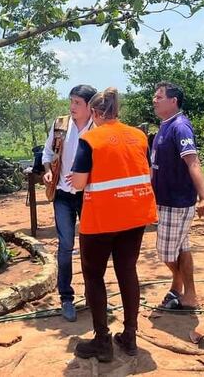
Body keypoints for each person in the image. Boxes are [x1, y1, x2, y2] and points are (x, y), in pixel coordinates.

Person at [69, 87, 157, 361]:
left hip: (101, 219)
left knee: (94, 276)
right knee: (127, 270)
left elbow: (80, 182)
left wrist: (74, 180)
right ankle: (129, 336)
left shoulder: (91, 139)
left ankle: (102, 341)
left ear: (94, 113)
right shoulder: (140, 136)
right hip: (135, 215)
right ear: (117, 111)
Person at [151, 82, 204, 311]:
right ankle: (187, 293)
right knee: (182, 248)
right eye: (155, 97)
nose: (154, 100)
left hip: (176, 201)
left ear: (173, 101)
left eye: (159, 97)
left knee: (165, 252)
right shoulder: (164, 126)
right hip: (165, 199)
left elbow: (193, 162)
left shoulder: (180, 127)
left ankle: (182, 287)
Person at [42, 84, 97, 322]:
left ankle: (95, 295)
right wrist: (47, 171)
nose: (72, 107)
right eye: (71, 101)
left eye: (77, 103)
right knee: (65, 246)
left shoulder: (99, 128)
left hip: (90, 195)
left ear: (90, 107)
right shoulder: (60, 126)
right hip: (63, 195)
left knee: (92, 246)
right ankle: (66, 297)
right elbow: (47, 155)